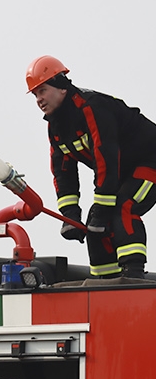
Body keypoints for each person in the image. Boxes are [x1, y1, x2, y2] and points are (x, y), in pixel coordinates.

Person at [29, 55, 156, 278]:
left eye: (42, 90)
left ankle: (133, 278)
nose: (38, 99)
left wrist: (103, 203)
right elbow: (63, 170)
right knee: (95, 226)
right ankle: (105, 284)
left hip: (150, 160)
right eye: (35, 94)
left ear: (61, 87)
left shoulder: (91, 108)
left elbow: (105, 155)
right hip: (121, 172)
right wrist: (71, 213)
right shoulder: (55, 127)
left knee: (122, 207)